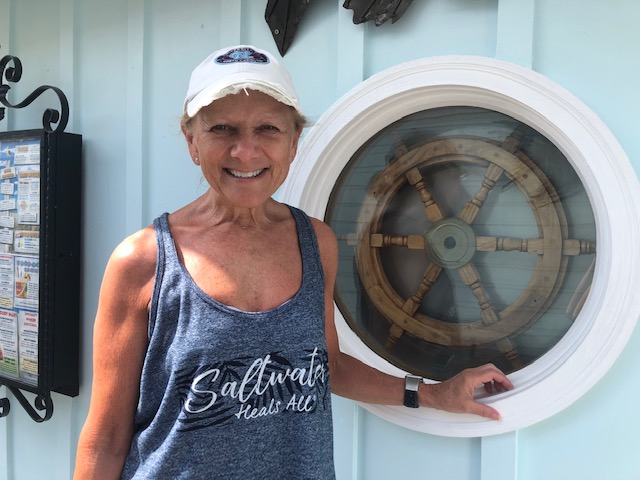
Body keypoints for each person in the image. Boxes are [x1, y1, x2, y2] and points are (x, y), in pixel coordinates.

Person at [74, 45, 513, 479]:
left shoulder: (315, 243)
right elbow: (105, 440)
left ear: (294, 142)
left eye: (268, 128)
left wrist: (432, 394)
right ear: (192, 140)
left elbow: (327, 366)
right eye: (222, 129)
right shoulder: (145, 261)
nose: (245, 152)